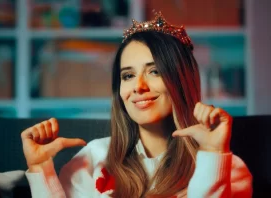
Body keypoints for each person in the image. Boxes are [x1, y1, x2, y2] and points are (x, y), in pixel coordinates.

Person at [21, 12, 252, 198]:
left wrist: (212, 154)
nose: (138, 86)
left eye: (154, 71)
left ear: (182, 81)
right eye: (128, 76)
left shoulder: (227, 168)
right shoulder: (93, 158)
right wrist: (40, 169)